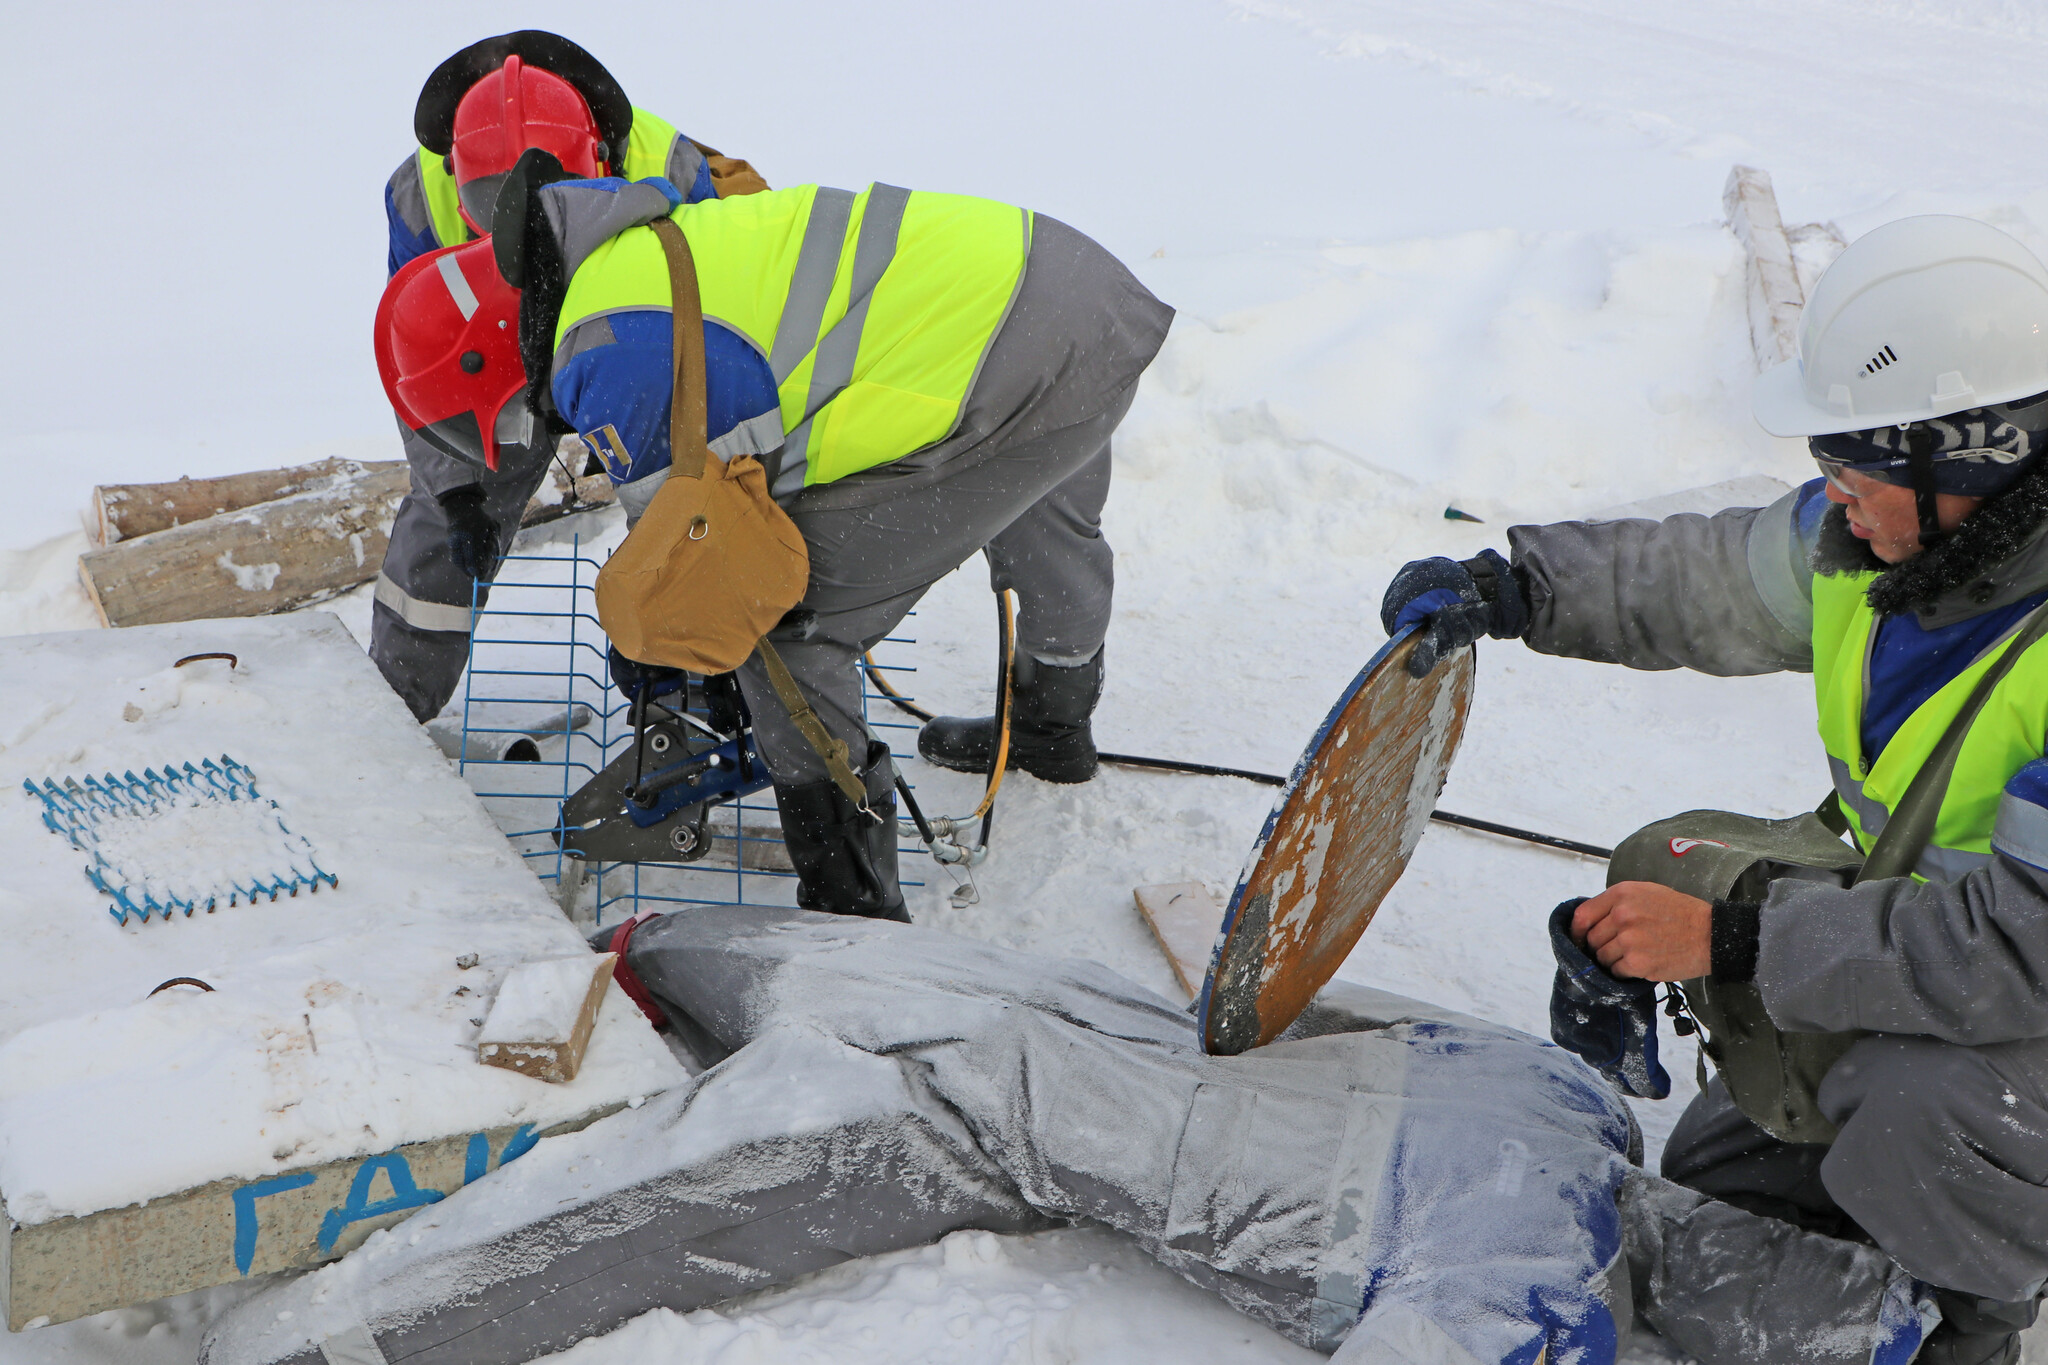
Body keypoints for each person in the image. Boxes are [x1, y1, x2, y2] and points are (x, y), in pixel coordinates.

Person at [195, 905, 1937, 1365]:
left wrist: (647, 950)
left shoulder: (1556, 1097)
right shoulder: (1525, 1276)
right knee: (663, 1217)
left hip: (1020, 1041)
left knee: (781, 1014)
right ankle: (328, 1346)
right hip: (993, 1108)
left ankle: (645, 949)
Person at [1381, 214, 2048, 1365]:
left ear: (1968, 457)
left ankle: (1968, 1331)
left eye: (1854, 470)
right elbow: (1698, 577)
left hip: (2018, 976)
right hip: (1949, 936)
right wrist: (1515, 588)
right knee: (1716, 1164)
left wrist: (1739, 941)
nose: (1831, 496)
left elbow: (2024, 949)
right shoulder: (1884, 539)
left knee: (1915, 1108)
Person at [445, 158, 1171, 921]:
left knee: (790, 621)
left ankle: (852, 911)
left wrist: (668, 658)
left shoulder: (602, 351)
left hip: (1015, 363)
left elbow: (709, 557)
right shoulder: (629, 246)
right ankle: (1055, 721)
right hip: (1067, 291)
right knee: (1040, 488)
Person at [371, 31, 767, 723]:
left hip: (635, 331)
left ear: (599, 162)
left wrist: (664, 580)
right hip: (499, 345)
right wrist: (460, 489)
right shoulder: (419, 200)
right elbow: (425, 359)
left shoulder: (674, 174)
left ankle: (695, 691)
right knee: (443, 520)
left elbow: (706, 358)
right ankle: (391, 712)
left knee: (695, 494)